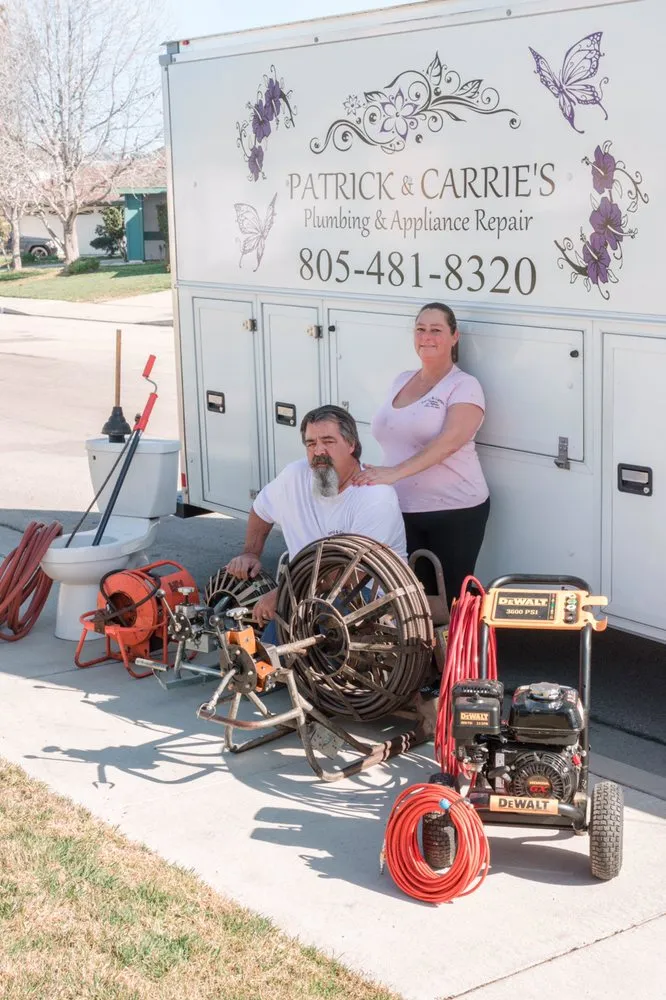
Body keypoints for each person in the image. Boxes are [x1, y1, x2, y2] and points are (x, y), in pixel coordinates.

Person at [353, 302, 489, 610]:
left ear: (455, 337)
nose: (427, 337)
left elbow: (450, 442)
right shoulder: (401, 379)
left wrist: (394, 473)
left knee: (452, 602)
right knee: (407, 600)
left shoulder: (464, 385)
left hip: (454, 511)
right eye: (420, 329)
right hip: (399, 509)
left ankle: (459, 658)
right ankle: (419, 659)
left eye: (436, 330)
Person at [226, 404, 407, 628]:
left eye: (328, 441)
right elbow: (261, 510)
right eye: (311, 443)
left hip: (366, 600)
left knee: (291, 634)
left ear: (351, 444)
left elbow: (355, 574)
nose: (319, 451)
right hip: (308, 593)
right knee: (267, 644)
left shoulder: (375, 496)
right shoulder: (295, 476)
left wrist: (285, 592)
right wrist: (250, 553)